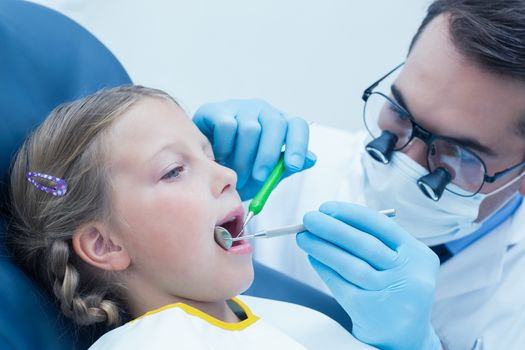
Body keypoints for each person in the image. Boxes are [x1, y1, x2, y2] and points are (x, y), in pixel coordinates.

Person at [192, 0, 525, 349]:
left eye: (458, 153)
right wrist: (195, 169)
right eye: (398, 112)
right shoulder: (284, 170)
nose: (404, 160)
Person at [6, 85, 363, 349]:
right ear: (105, 244)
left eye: (211, 156)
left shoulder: (287, 318)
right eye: (175, 170)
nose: (229, 176)